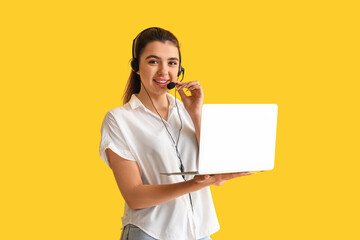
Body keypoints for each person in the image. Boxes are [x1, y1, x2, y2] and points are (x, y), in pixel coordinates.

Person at [99, 27, 254, 240]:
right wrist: (195, 183)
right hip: (150, 233)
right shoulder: (119, 120)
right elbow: (134, 196)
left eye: (172, 63)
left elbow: (217, 168)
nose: (164, 71)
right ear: (136, 67)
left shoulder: (186, 111)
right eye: (153, 61)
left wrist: (196, 112)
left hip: (198, 232)